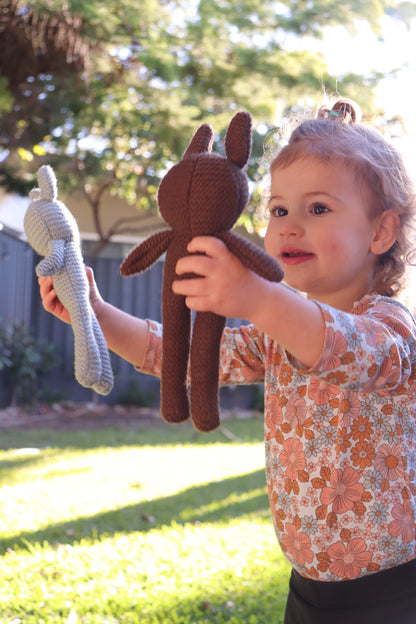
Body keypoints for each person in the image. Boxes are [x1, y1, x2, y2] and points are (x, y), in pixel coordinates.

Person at [39, 99, 416, 623]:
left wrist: (259, 298)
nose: (288, 226)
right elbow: (182, 357)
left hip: (391, 592)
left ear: (381, 232)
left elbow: (360, 354)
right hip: (307, 585)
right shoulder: (276, 336)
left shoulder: (390, 326)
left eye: (319, 208)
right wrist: (95, 314)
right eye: (279, 210)